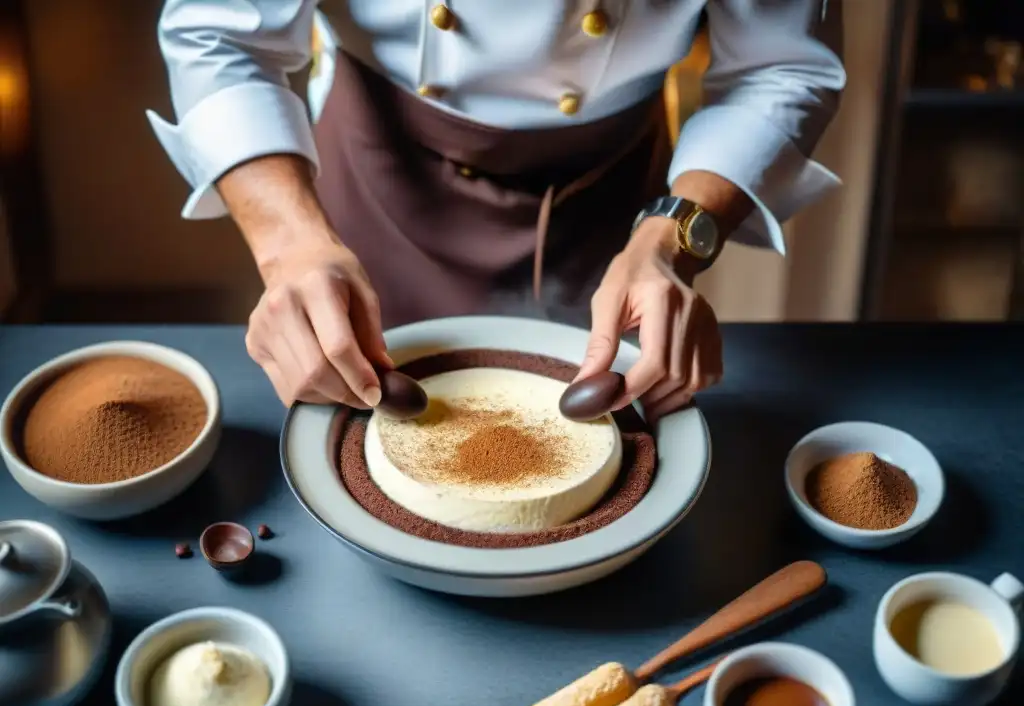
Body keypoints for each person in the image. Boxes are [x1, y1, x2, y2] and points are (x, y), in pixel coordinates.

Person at [149, 1, 845, 421]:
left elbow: (780, 68)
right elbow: (220, 35)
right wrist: (290, 247)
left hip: (618, 205)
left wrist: (672, 239)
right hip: (375, 183)